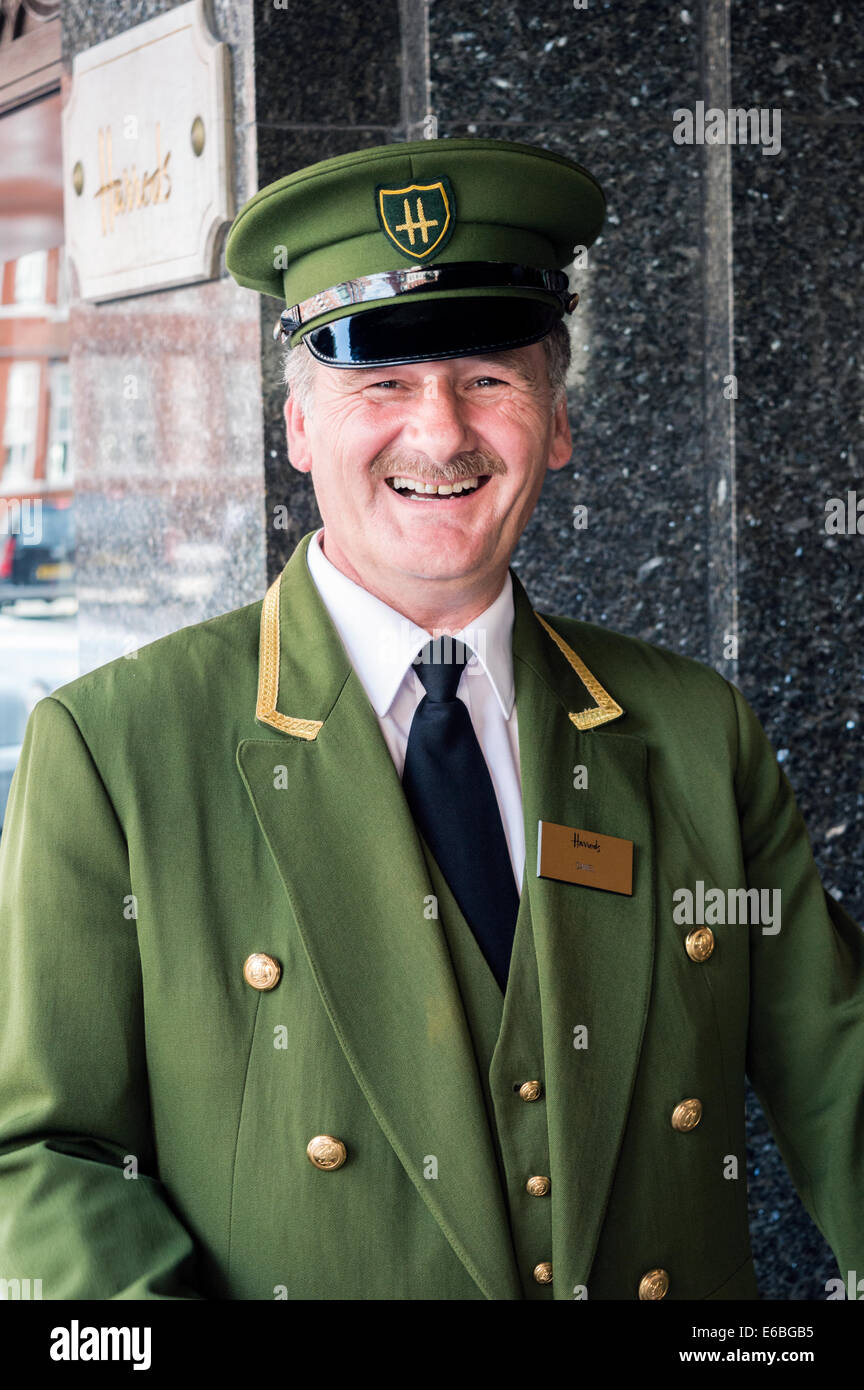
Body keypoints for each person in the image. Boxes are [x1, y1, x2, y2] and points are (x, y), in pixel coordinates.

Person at [0, 138, 861, 1302]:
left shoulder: (692, 729)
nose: (443, 433)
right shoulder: (116, 748)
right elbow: (47, 1159)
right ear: (300, 428)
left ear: (556, 421)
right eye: (383, 384)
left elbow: (838, 1077)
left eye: (490, 379)